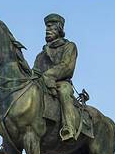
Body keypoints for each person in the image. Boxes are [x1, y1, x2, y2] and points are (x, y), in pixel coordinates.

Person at [33, 13, 82, 141]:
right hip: (42, 84)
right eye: (46, 28)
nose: (47, 30)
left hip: (60, 82)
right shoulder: (40, 55)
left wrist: (48, 75)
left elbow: (67, 67)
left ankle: (69, 128)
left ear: (59, 28)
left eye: (50, 27)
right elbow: (35, 72)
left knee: (64, 92)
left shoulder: (69, 46)